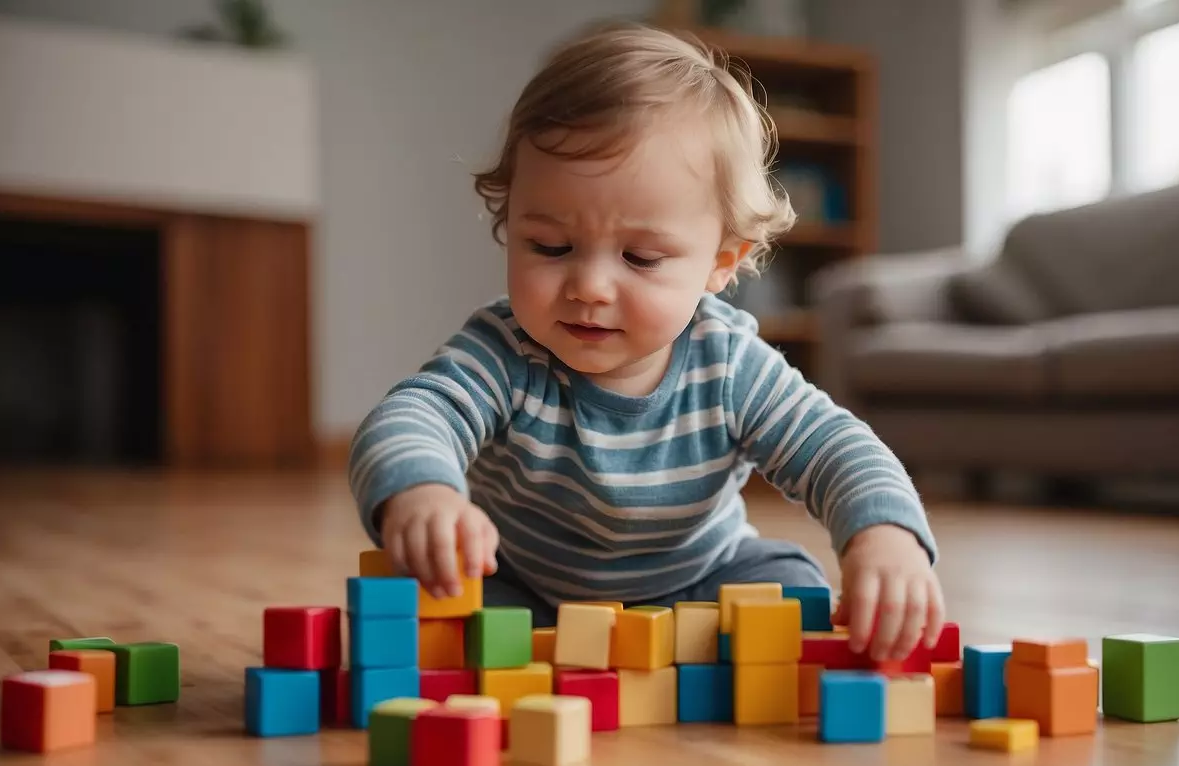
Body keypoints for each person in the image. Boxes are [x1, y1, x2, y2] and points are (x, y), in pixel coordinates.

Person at [347, 21, 945, 662]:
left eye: (640, 257)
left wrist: (884, 537)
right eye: (550, 247)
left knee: (793, 590)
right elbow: (411, 415)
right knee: (428, 610)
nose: (590, 286)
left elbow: (836, 448)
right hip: (528, 587)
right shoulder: (504, 350)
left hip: (696, 584)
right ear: (509, 220)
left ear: (720, 262)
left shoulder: (728, 363)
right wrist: (425, 493)